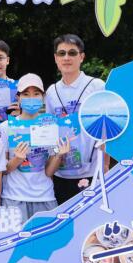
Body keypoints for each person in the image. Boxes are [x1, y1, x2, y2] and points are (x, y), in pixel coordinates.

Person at [0, 74, 71, 221]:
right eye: (26, 94)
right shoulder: (5, 128)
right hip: (13, 198)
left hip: (45, 197)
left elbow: (49, 172)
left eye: (36, 93)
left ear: (43, 97)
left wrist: (59, 154)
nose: (31, 98)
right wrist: (17, 159)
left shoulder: (51, 127)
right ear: (18, 98)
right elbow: (2, 170)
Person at [45, 34, 106, 205]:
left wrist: (105, 166)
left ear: (81, 57)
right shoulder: (51, 92)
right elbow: (50, 132)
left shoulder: (97, 86)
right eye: (62, 53)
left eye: (72, 53)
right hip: (61, 173)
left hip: (92, 171)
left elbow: (107, 130)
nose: (66, 58)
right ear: (56, 58)